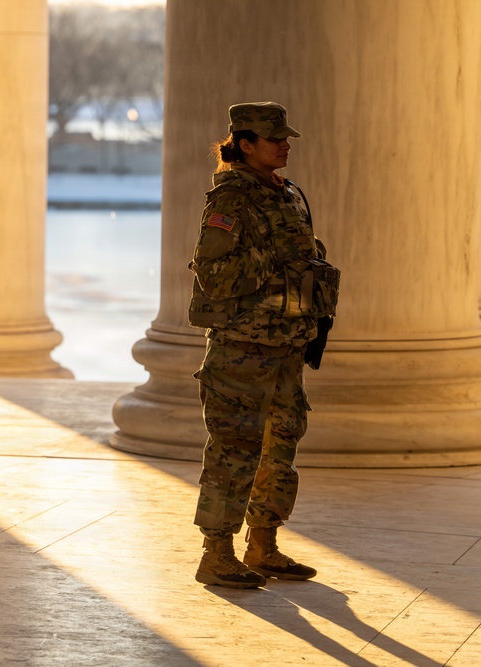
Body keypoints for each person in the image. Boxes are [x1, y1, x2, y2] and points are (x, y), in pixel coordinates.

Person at [187, 102, 339, 589]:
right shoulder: (230, 201)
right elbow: (213, 276)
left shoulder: (287, 194)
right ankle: (216, 554)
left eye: (286, 137)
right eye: (275, 138)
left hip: (284, 347)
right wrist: (280, 267)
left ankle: (263, 544)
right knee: (234, 449)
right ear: (246, 144)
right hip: (241, 349)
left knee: (280, 446)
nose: (285, 144)